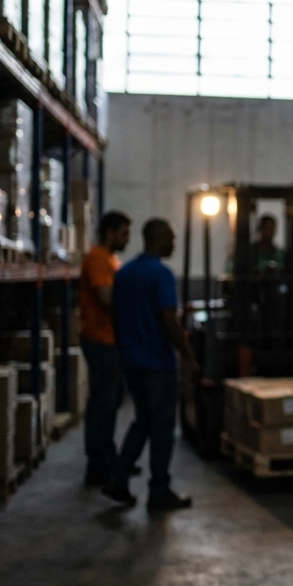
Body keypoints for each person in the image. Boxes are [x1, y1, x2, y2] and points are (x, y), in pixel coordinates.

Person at [102, 218, 200, 511]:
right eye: (171, 238)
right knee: (162, 428)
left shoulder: (124, 273)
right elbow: (169, 319)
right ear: (157, 239)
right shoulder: (162, 274)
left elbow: (117, 317)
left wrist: (122, 353)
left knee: (142, 421)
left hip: (132, 360)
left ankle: (118, 479)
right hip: (157, 361)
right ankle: (159, 491)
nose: (174, 243)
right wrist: (188, 357)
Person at [79, 210, 132, 486]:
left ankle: (108, 458)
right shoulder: (99, 258)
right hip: (100, 341)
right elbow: (106, 298)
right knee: (102, 404)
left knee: (110, 403)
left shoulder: (111, 259)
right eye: (124, 233)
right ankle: (98, 465)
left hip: (110, 340)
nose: (127, 239)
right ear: (110, 232)